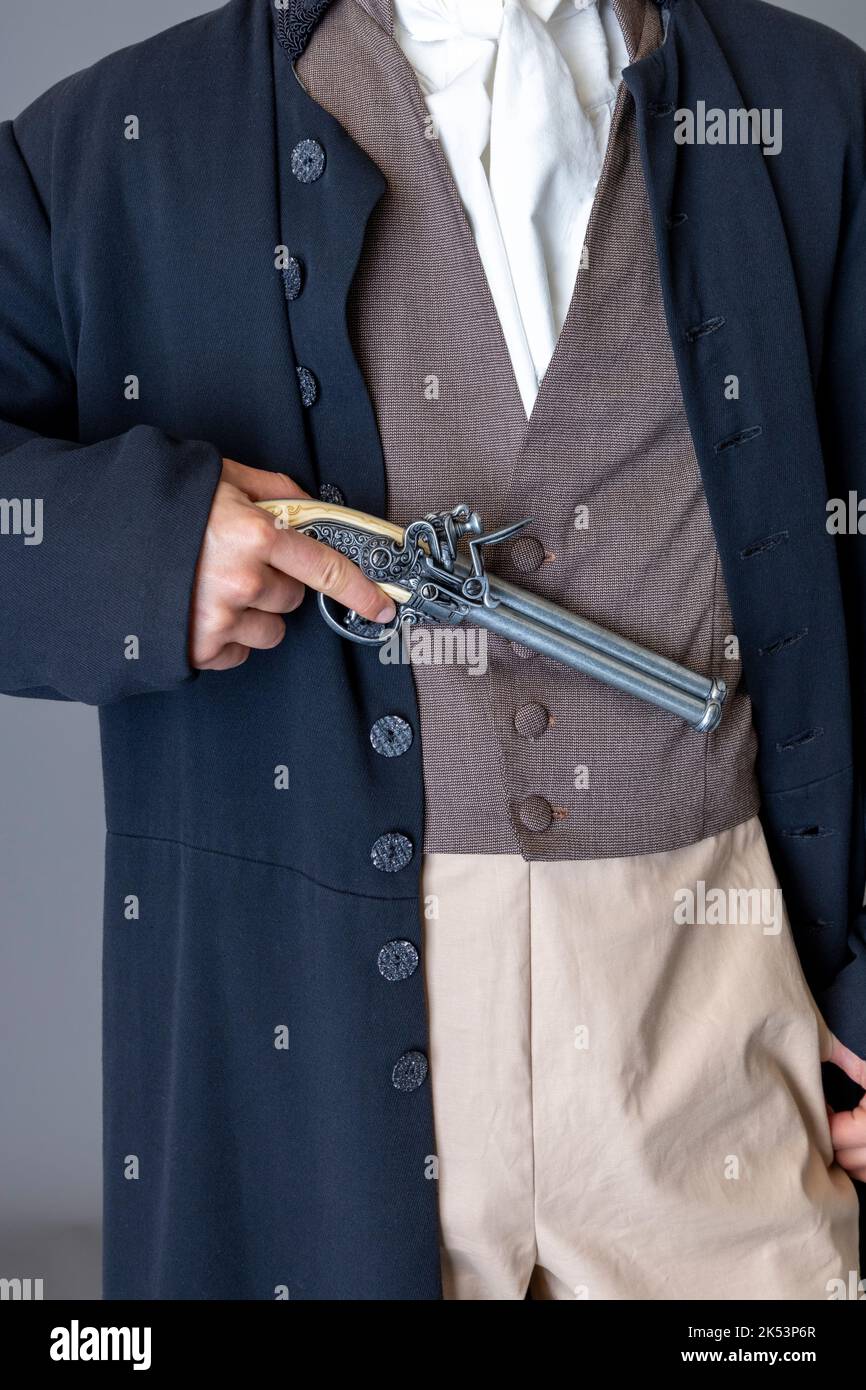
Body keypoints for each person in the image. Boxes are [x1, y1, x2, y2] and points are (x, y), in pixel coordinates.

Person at [1, 0, 864, 1300]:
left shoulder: (819, 113)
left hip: (728, 1049)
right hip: (310, 1106)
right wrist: (132, 550)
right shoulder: (110, 152)